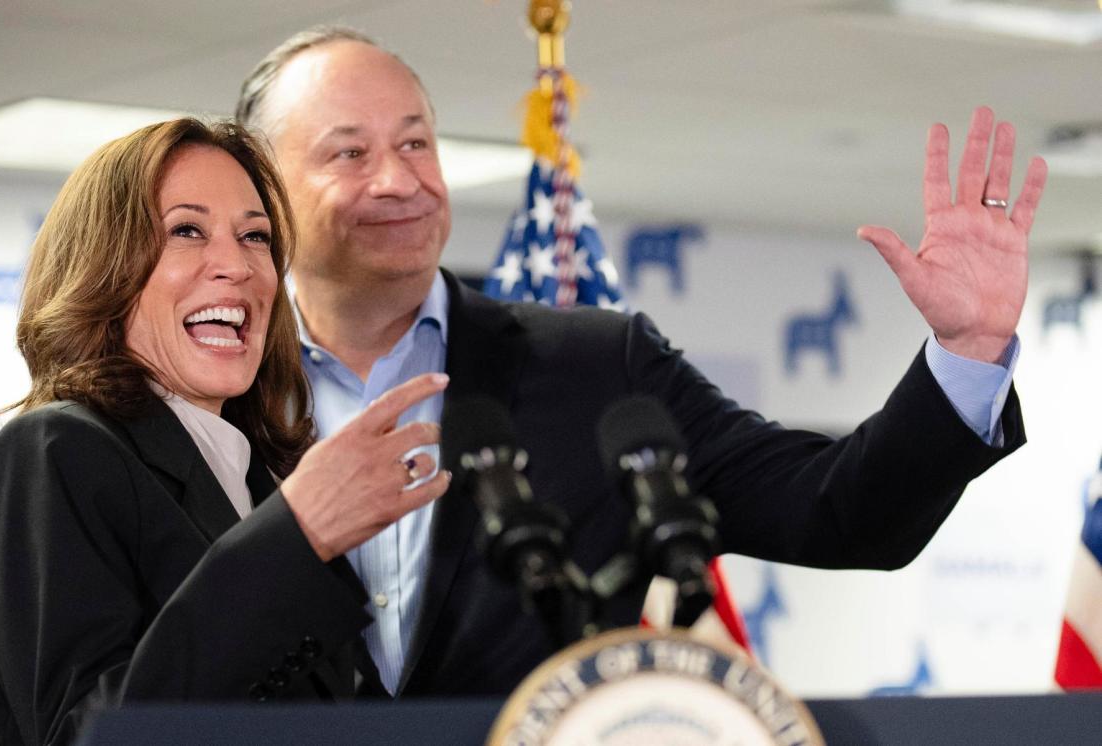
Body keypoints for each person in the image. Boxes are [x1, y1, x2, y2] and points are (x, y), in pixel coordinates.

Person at [232, 27, 1047, 698]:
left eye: (415, 142)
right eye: (349, 154)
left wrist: (968, 350)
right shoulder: (208, 391)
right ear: (265, 189)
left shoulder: (596, 368)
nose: (399, 179)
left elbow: (837, 510)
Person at [0, 119, 450, 745]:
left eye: (255, 237)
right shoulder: (56, 449)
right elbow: (87, 733)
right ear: (105, 268)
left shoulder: (257, 481)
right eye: (187, 230)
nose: (237, 266)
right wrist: (296, 537)